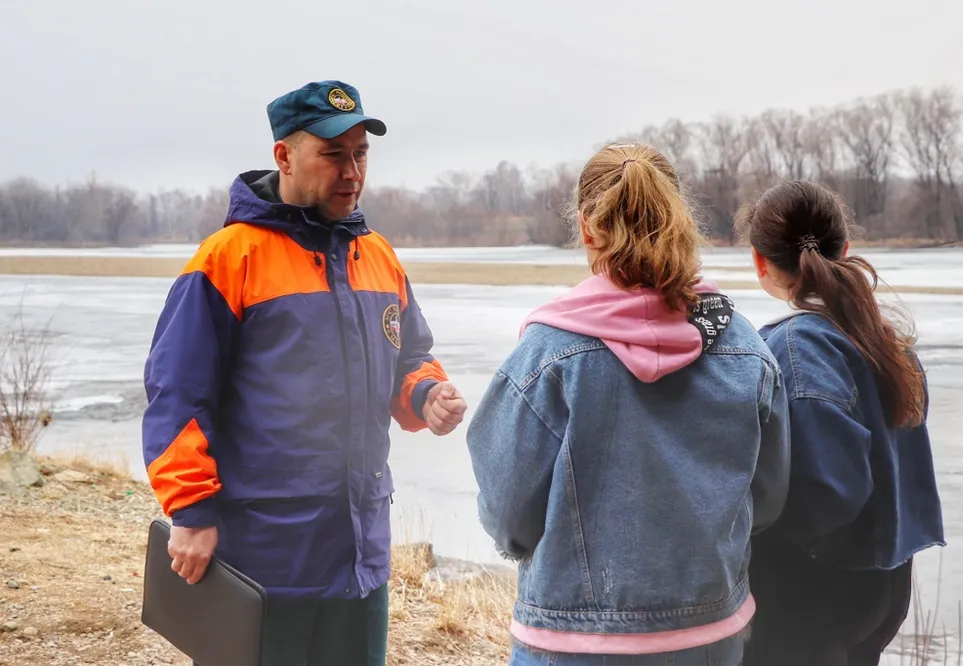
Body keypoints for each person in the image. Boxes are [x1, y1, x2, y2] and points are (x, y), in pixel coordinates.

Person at [141, 79, 468, 666]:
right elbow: (177, 394)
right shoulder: (228, 258)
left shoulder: (378, 256)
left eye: (360, 153)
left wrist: (426, 395)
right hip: (261, 560)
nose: (352, 172)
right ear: (284, 156)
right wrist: (190, 512)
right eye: (333, 154)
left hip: (360, 557)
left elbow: (409, 356)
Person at [464, 142, 791, 666]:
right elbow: (767, 499)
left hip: (577, 640)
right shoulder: (745, 346)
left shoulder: (549, 353)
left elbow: (507, 514)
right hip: (709, 633)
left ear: (587, 228)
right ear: (679, 217)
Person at [736, 180, 946, 666]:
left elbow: (828, 491)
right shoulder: (884, 339)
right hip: (884, 579)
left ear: (760, 262)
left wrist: (745, 526)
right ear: (845, 249)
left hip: (813, 590)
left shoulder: (799, 349)